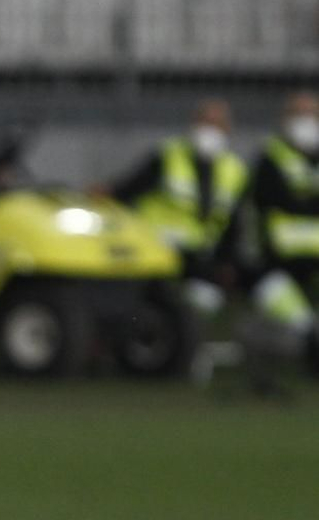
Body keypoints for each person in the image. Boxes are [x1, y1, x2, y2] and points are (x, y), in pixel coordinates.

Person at [103, 98, 247, 317]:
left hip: (197, 260)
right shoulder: (168, 156)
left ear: (228, 129)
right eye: (204, 122)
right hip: (155, 254)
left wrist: (227, 262)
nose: (209, 130)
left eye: (216, 124)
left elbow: (233, 223)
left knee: (204, 302)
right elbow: (126, 190)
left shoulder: (234, 170)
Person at [242, 90, 319, 368]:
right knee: (298, 323)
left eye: (312, 114)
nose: (307, 121)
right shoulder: (270, 158)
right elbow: (271, 200)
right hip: (278, 262)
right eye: (299, 114)